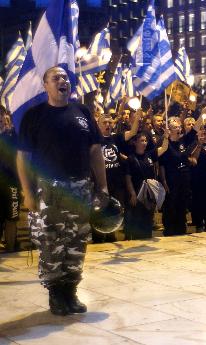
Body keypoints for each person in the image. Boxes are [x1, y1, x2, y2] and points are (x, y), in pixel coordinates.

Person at [17, 66, 108, 316]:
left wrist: (102, 187)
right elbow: (23, 157)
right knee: (51, 243)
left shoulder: (82, 112)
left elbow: (95, 152)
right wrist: (27, 191)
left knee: (77, 242)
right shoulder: (34, 116)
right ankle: (56, 294)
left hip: (80, 188)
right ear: (45, 85)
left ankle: (71, 291)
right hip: (48, 190)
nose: (62, 81)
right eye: (56, 78)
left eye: (65, 77)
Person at [94, 111, 141, 243]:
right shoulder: (94, 139)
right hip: (100, 182)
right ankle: (98, 238)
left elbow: (132, 133)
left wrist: (137, 119)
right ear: (98, 125)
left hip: (116, 182)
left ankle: (111, 236)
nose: (108, 125)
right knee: (99, 210)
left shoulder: (116, 138)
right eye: (104, 122)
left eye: (110, 122)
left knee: (114, 210)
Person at [125, 130, 169, 239]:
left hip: (148, 194)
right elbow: (128, 178)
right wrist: (132, 194)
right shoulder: (130, 158)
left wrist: (166, 137)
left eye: (145, 141)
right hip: (137, 194)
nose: (144, 143)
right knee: (137, 220)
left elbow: (164, 148)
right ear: (135, 142)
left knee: (148, 220)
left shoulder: (150, 155)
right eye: (141, 141)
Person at [159, 117, 193, 235]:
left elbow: (195, 130)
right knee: (171, 204)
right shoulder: (165, 143)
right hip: (171, 177)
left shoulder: (183, 141)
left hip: (183, 177)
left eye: (179, 126)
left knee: (182, 202)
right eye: (175, 127)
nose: (178, 129)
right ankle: (169, 228)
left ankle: (181, 226)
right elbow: (161, 164)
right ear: (169, 129)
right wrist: (163, 181)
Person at [0, 107, 19, 252]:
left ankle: (11, 250)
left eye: (1, 115)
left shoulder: (12, 135)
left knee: (12, 218)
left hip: (12, 183)